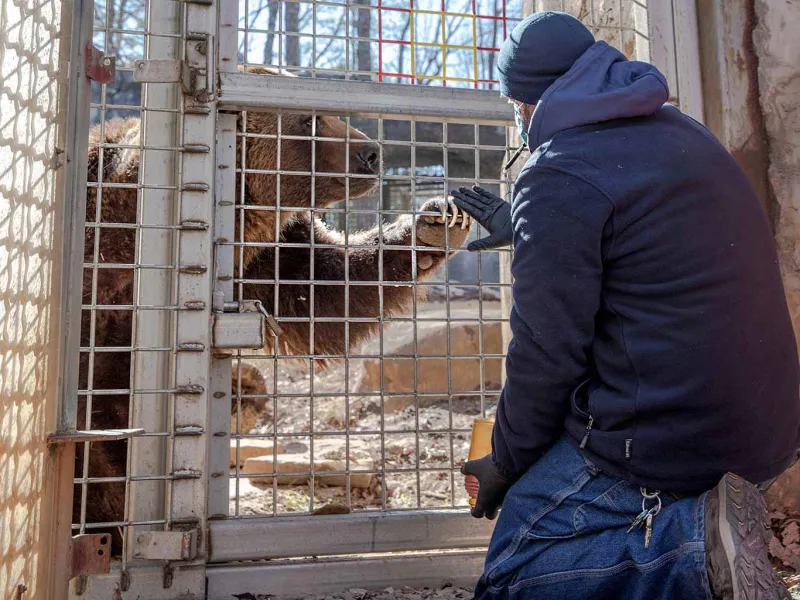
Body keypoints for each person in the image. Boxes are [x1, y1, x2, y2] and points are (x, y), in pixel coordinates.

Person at [451, 10, 800, 600]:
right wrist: (535, 228)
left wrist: (505, 460)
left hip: (670, 438)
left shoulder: (557, 172)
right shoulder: (683, 131)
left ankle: (692, 554)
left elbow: (546, 354)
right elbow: (647, 238)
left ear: (525, 104)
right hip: (767, 429)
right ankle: (703, 532)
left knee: (510, 576)